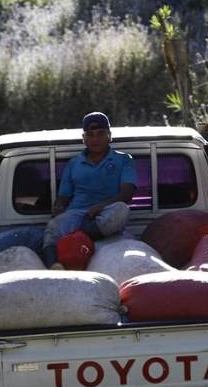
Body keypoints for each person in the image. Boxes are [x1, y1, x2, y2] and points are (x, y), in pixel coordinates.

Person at [40, 112, 137, 269]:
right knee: (53, 228)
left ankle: (82, 235)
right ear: (83, 138)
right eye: (90, 135)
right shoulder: (74, 163)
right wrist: (58, 207)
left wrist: (101, 206)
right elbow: (64, 196)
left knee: (122, 209)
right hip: (78, 214)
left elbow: (127, 194)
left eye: (100, 134)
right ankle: (54, 265)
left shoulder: (124, 160)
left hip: (106, 214)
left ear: (109, 136)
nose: (95, 139)